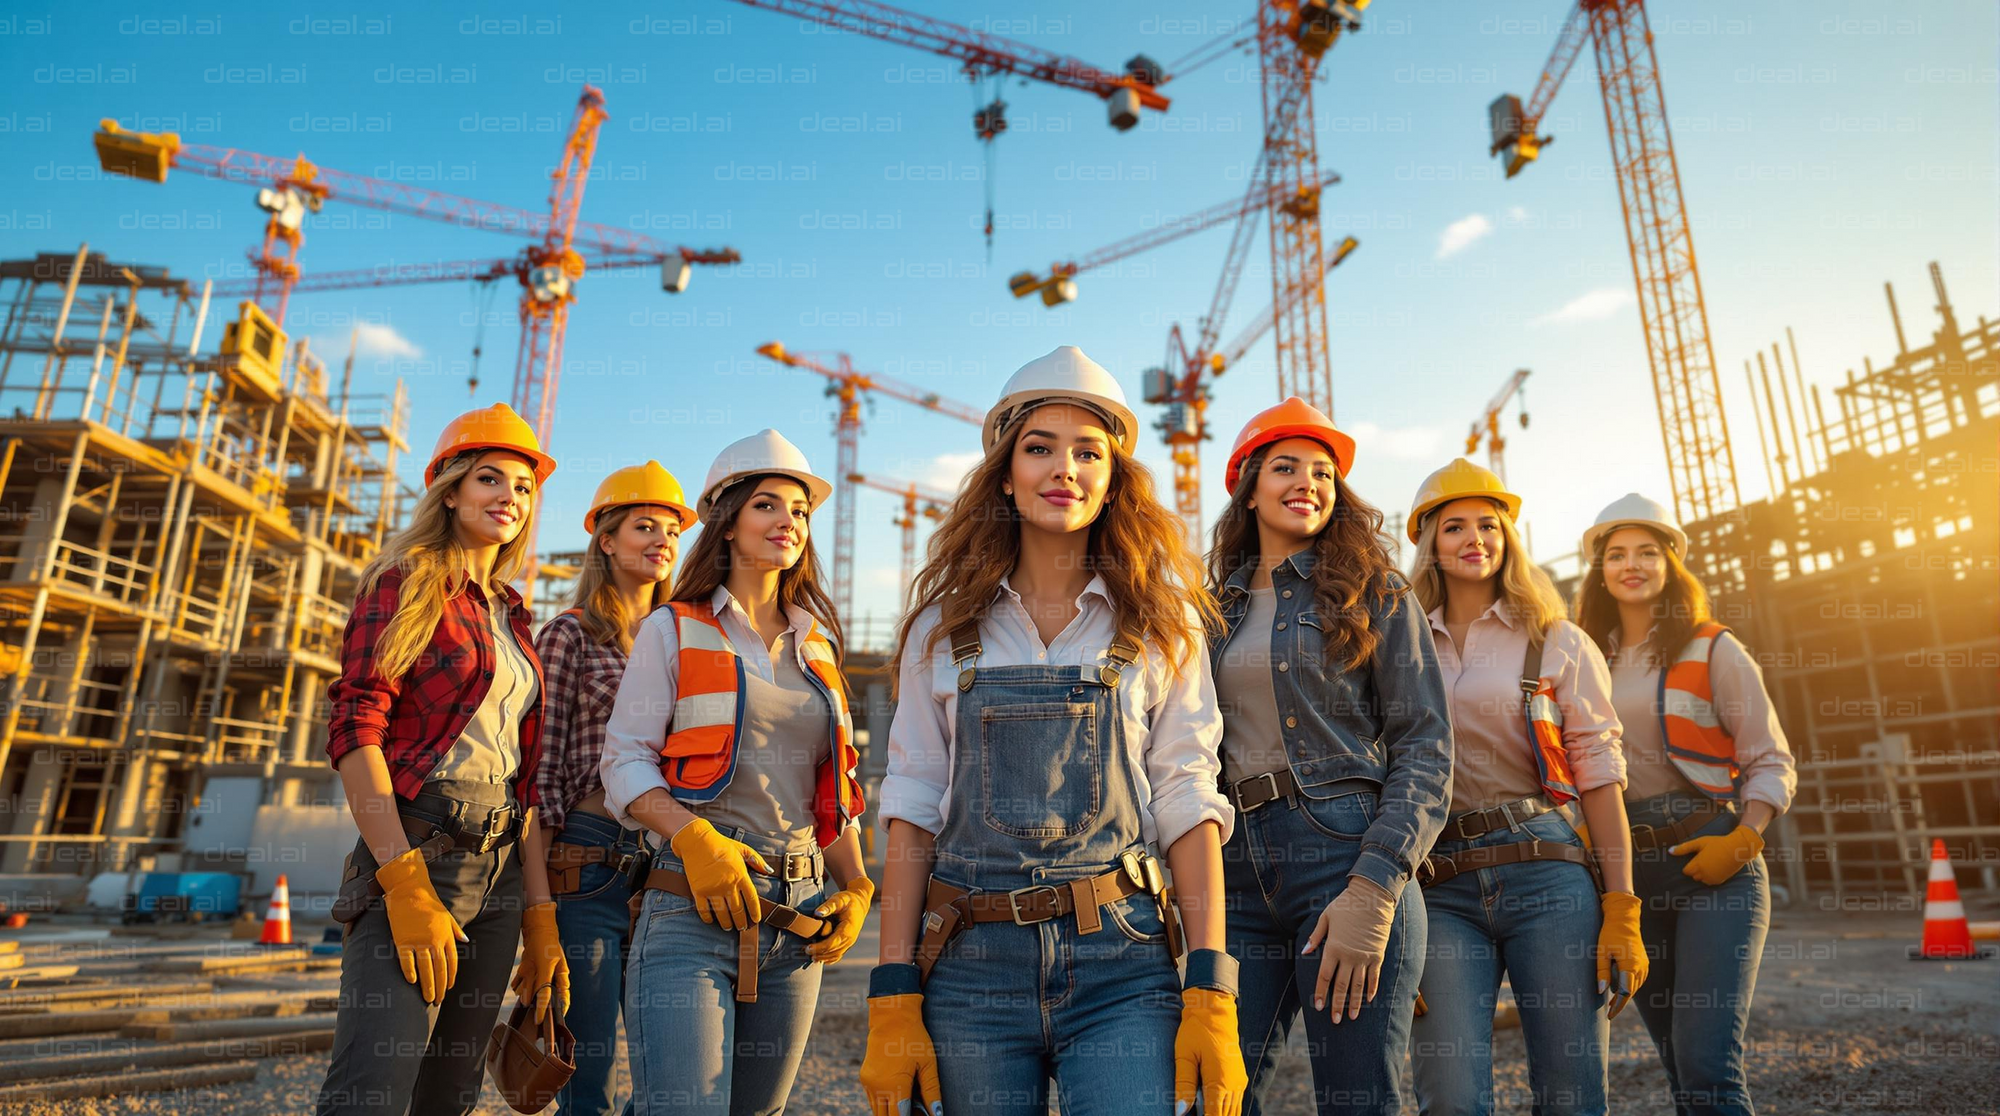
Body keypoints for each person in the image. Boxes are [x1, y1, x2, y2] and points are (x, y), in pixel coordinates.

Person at [861, 347, 1247, 1116]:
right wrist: (892, 989)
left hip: (1124, 963)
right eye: (1039, 447)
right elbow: (910, 800)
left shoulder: (1165, 627)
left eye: (1087, 452)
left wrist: (1211, 985)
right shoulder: (942, 632)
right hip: (970, 963)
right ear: (1005, 474)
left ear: (1112, 481)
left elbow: (1187, 796)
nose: (1062, 468)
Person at [600, 430, 871, 1115]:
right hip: (691, 910)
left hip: (800, 912)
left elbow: (830, 791)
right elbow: (623, 761)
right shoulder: (674, 627)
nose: (789, 522)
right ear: (726, 523)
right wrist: (695, 839)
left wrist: (859, 884)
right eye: (768, 506)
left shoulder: (819, 645)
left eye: (801, 511)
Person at [318, 403, 570, 1116]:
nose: (510, 499)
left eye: (524, 488)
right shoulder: (405, 582)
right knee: (372, 1089)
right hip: (418, 844)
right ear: (451, 489)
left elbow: (522, 778)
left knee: (449, 1097)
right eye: (491, 478)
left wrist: (537, 914)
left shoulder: (514, 613)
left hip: (498, 870)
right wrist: (400, 880)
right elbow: (356, 728)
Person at [1205, 397, 1452, 1115]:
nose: (1307, 482)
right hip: (1234, 869)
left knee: (1356, 1098)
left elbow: (1426, 746)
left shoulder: (1375, 590)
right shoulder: (1204, 607)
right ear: (1247, 486)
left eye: (1322, 472)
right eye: (1285, 467)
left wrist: (1375, 888)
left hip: (1343, 853)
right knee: (1214, 1092)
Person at [1401, 459, 1646, 1116]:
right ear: (1430, 543)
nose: (1475, 537)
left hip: (1550, 878)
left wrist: (1621, 906)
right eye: (1454, 527)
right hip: (1439, 883)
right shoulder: (1396, 643)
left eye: (1489, 524)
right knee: (1450, 1098)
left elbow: (1599, 774)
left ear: (1509, 538)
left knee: (1571, 1095)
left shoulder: (1556, 639)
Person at [1575, 493, 1796, 1116]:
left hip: (1714, 865)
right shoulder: (1582, 656)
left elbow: (1771, 759)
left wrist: (1746, 838)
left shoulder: (1712, 647)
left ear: (1672, 563)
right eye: (1616, 554)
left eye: (1648, 551)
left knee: (1707, 1068)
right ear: (1600, 570)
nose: (1632, 565)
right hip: (1627, 877)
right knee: (1678, 1064)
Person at [535, 461, 695, 1115]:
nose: (662, 540)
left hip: (668, 863)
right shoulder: (570, 634)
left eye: (671, 530)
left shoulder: (686, 645)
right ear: (606, 540)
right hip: (587, 864)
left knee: (675, 1069)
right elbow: (537, 776)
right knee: (589, 1076)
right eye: (644, 526)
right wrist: (538, 915)